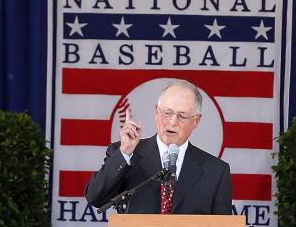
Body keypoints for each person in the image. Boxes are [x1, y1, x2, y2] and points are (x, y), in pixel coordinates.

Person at [85, 79, 233, 214]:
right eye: (167, 113)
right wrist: (125, 152)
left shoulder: (216, 171)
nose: (173, 122)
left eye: (182, 116)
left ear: (196, 121)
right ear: (156, 112)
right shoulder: (127, 154)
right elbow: (95, 198)